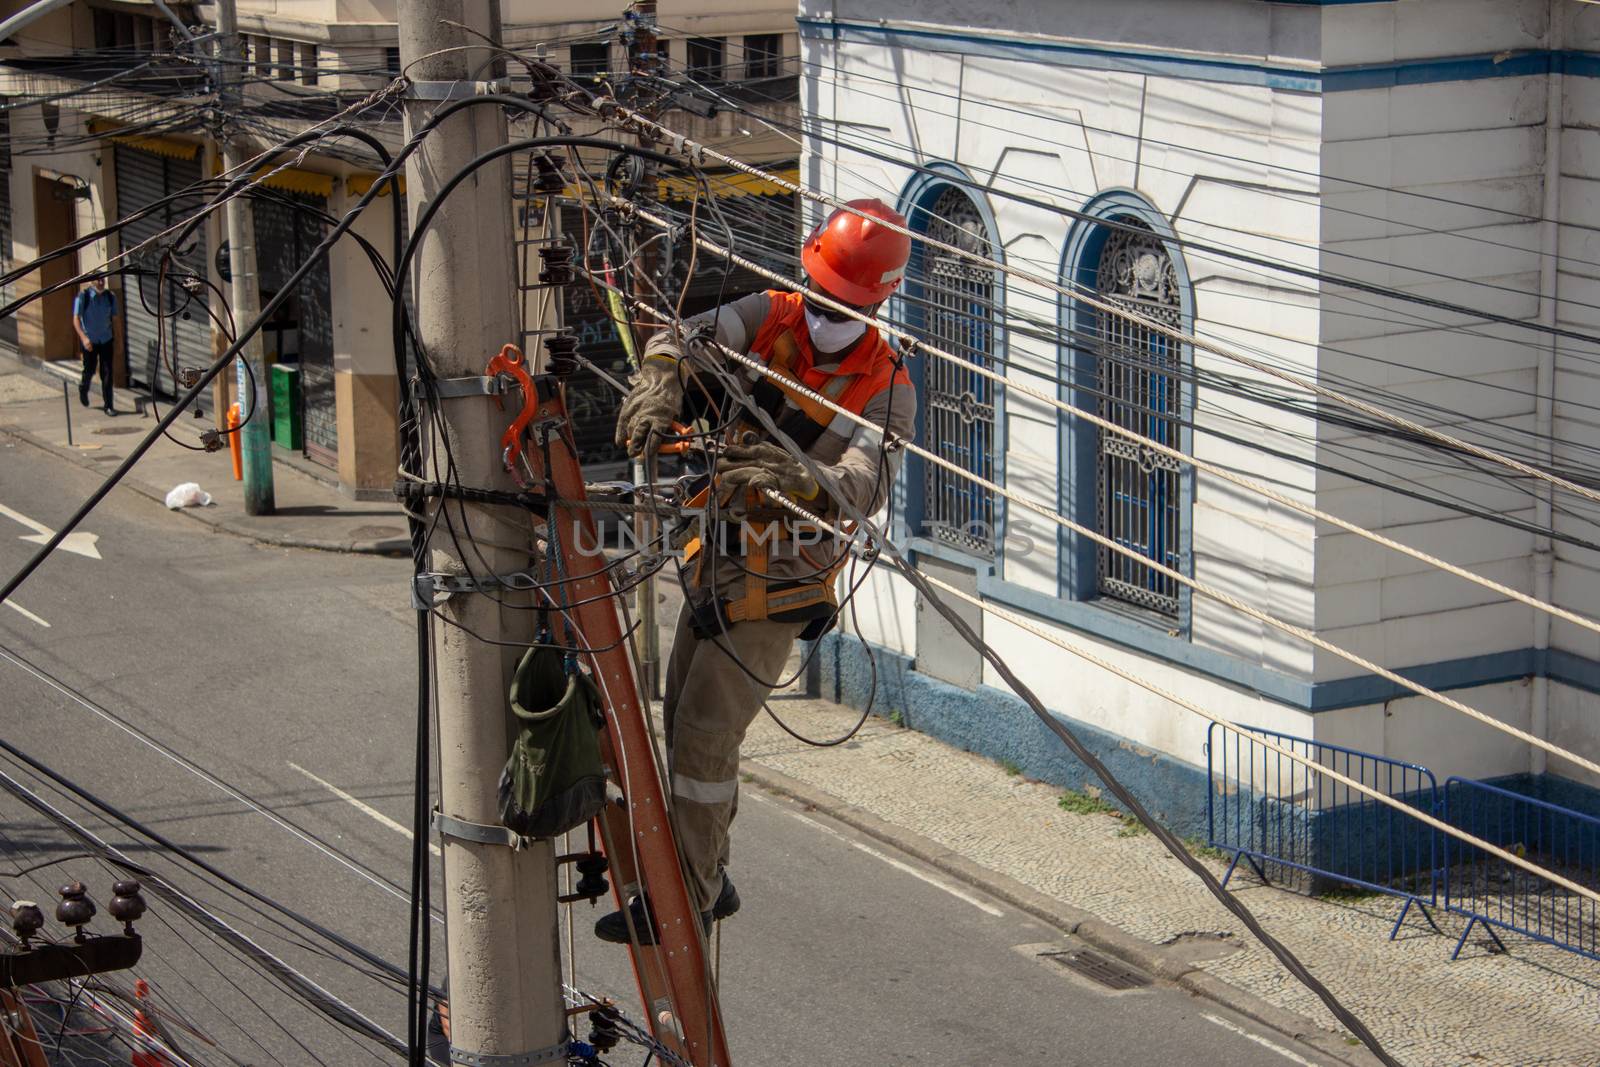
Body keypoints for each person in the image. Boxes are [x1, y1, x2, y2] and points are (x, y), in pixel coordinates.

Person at [596, 198, 917, 944]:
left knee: (706, 739)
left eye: (841, 302)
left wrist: (803, 476)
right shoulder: (772, 312)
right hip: (714, 553)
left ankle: (690, 896)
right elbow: (691, 336)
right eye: (817, 292)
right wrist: (663, 373)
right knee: (680, 725)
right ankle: (713, 868)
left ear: (875, 304)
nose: (822, 310)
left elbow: (866, 479)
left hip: (777, 583)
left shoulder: (887, 381)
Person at [73, 276, 118, 415]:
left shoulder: (110, 297)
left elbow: (116, 319)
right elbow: (76, 319)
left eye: (102, 280)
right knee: (90, 370)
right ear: (91, 282)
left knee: (107, 373)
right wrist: (84, 338)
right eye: (97, 280)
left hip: (106, 339)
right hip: (90, 341)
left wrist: (119, 340)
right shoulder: (83, 297)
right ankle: (83, 388)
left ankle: (109, 405)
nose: (100, 283)